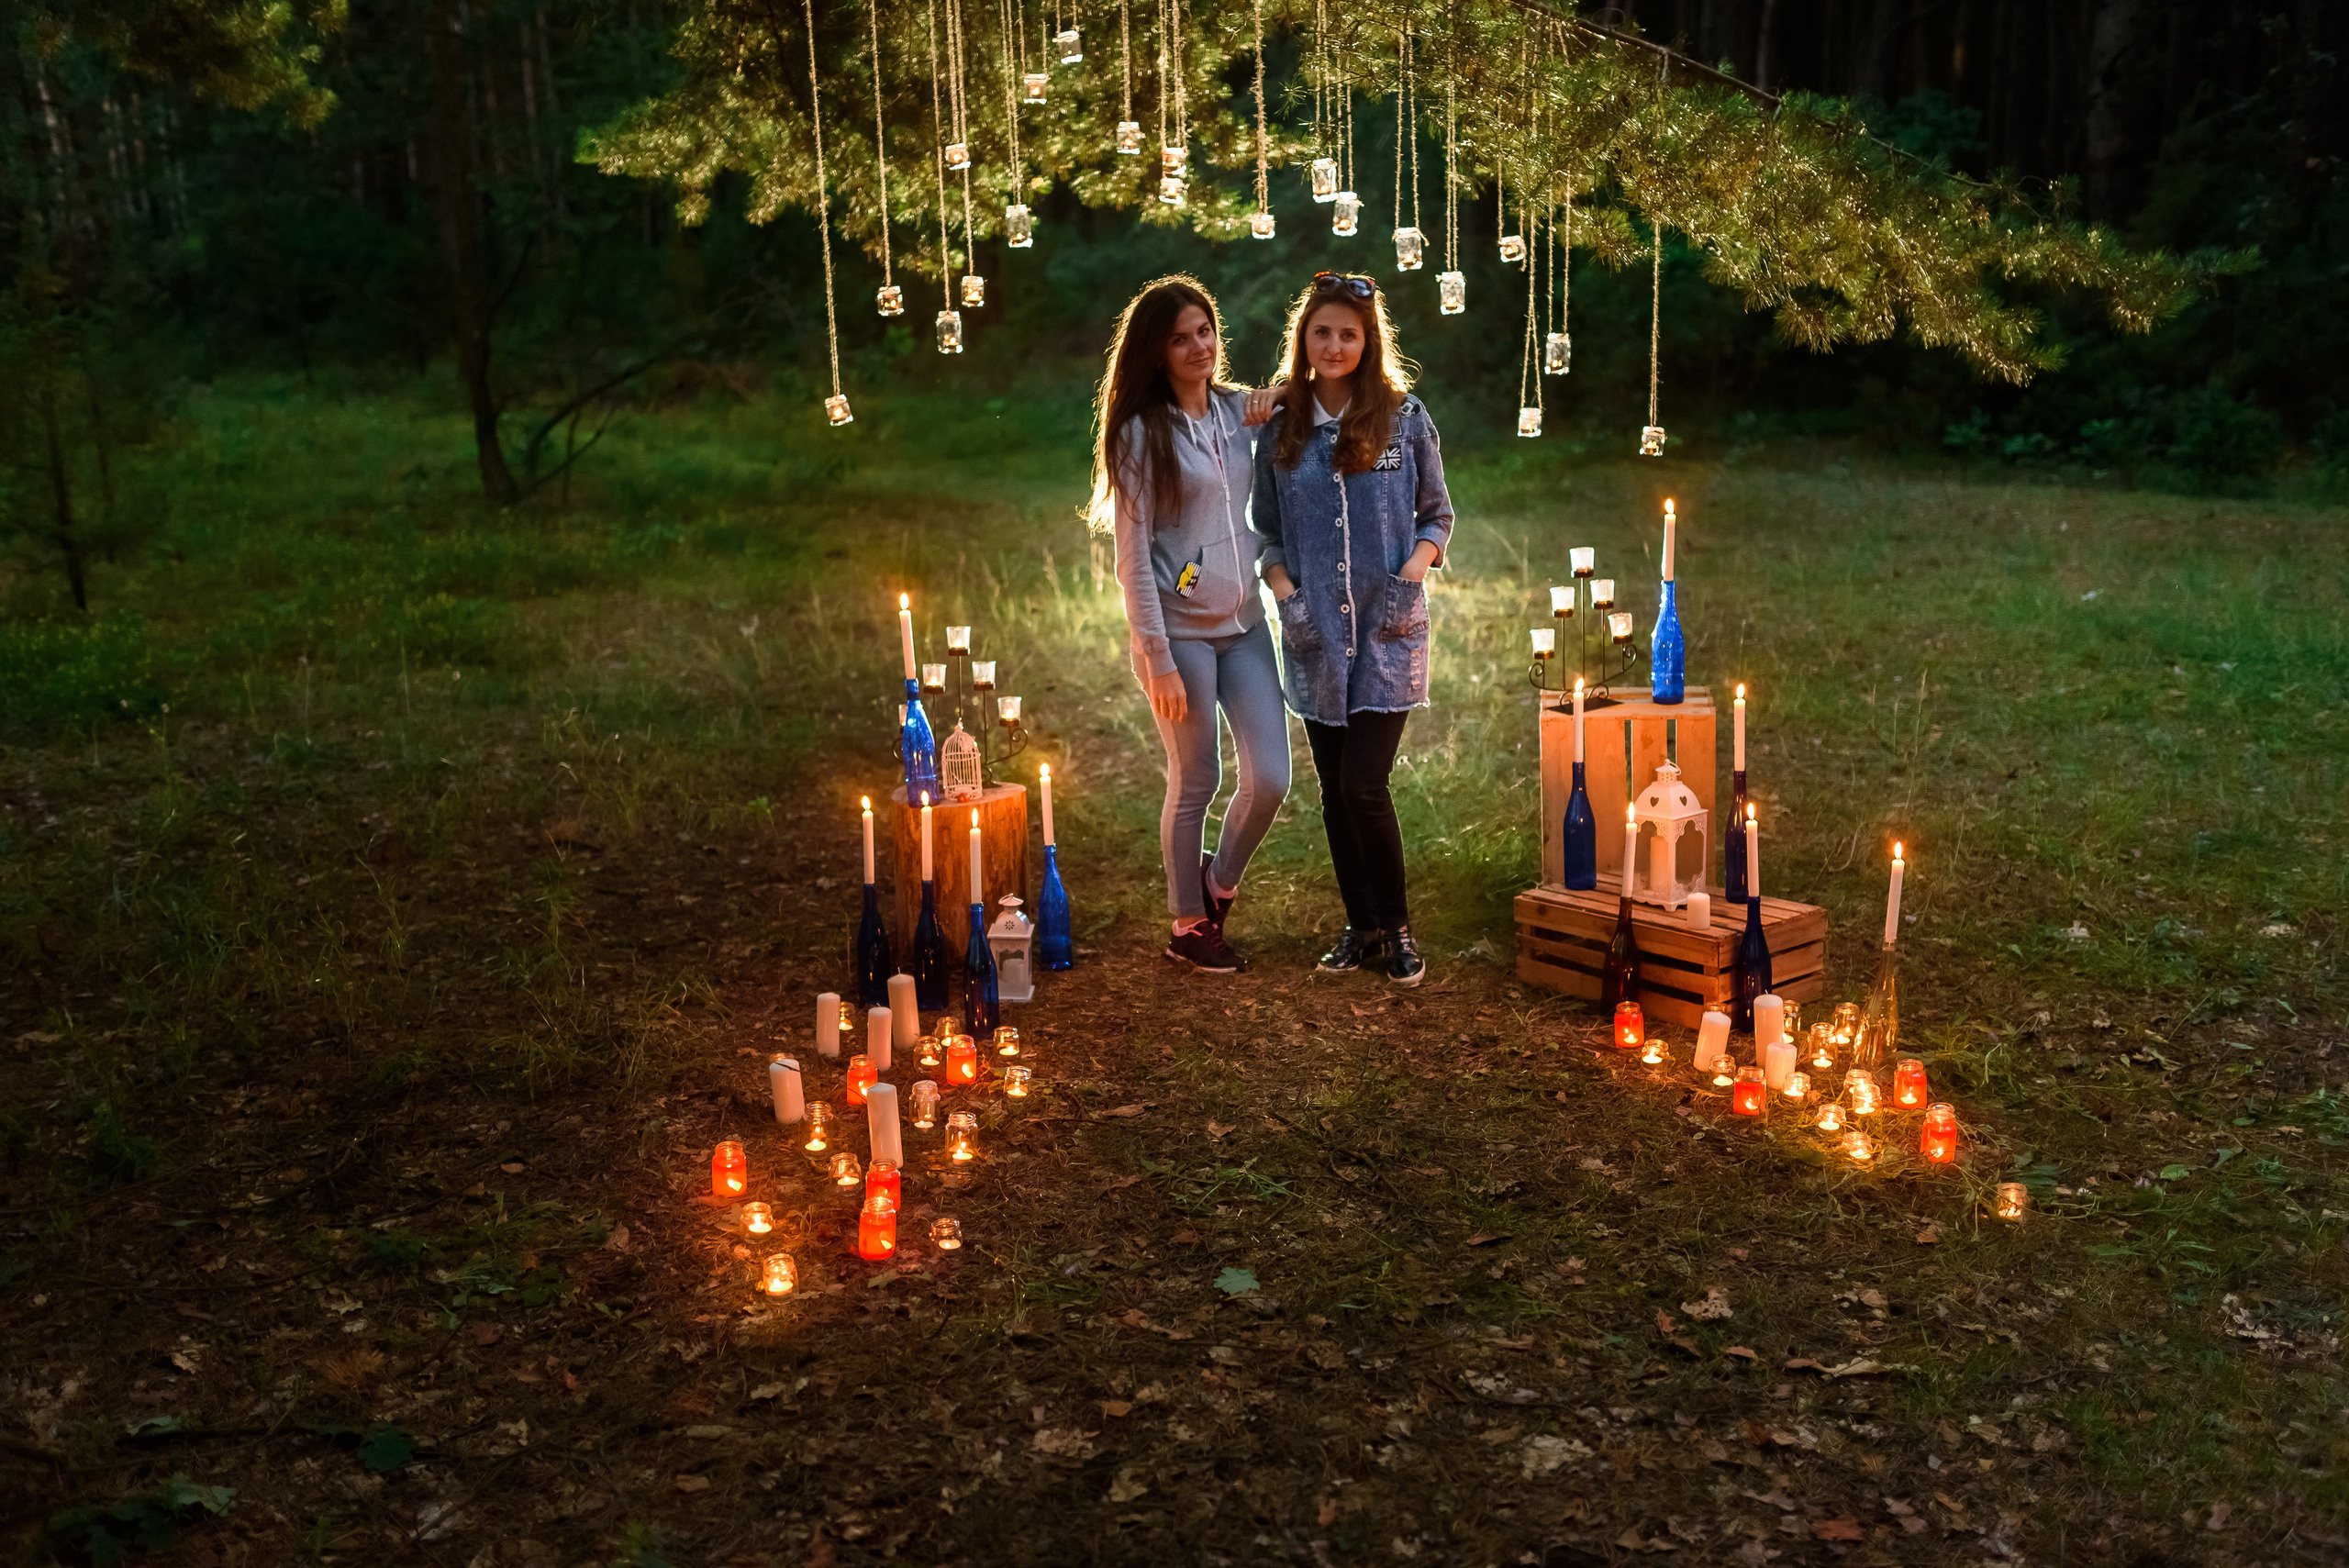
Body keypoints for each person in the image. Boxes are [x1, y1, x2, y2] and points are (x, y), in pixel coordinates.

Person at [1249, 273, 1453, 985]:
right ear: (1303, 339)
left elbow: (1437, 514)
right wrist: (1286, 591)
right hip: (1314, 634)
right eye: (1322, 332)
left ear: (1368, 343)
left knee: (1365, 783)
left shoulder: (1404, 417)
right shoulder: (1281, 427)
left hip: (1388, 629)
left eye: (1348, 334)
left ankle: (1397, 928)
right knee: (1335, 790)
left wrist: (1412, 571)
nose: (1334, 345)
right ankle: (1359, 925)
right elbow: (1266, 531)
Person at [1085, 275, 1292, 973]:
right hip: (1179, 635)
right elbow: (1132, 560)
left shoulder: (1234, 411)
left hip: (1245, 625)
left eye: (1205, 331)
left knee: (1271, 777)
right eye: (1181, 338)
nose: (1199, 346)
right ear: (1157, 351)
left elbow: (1298, 395)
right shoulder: (1140, 434)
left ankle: (1218, 883)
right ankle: (1186, 923)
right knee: (1196, 778)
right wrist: (1158, 660)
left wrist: (1279, 393)